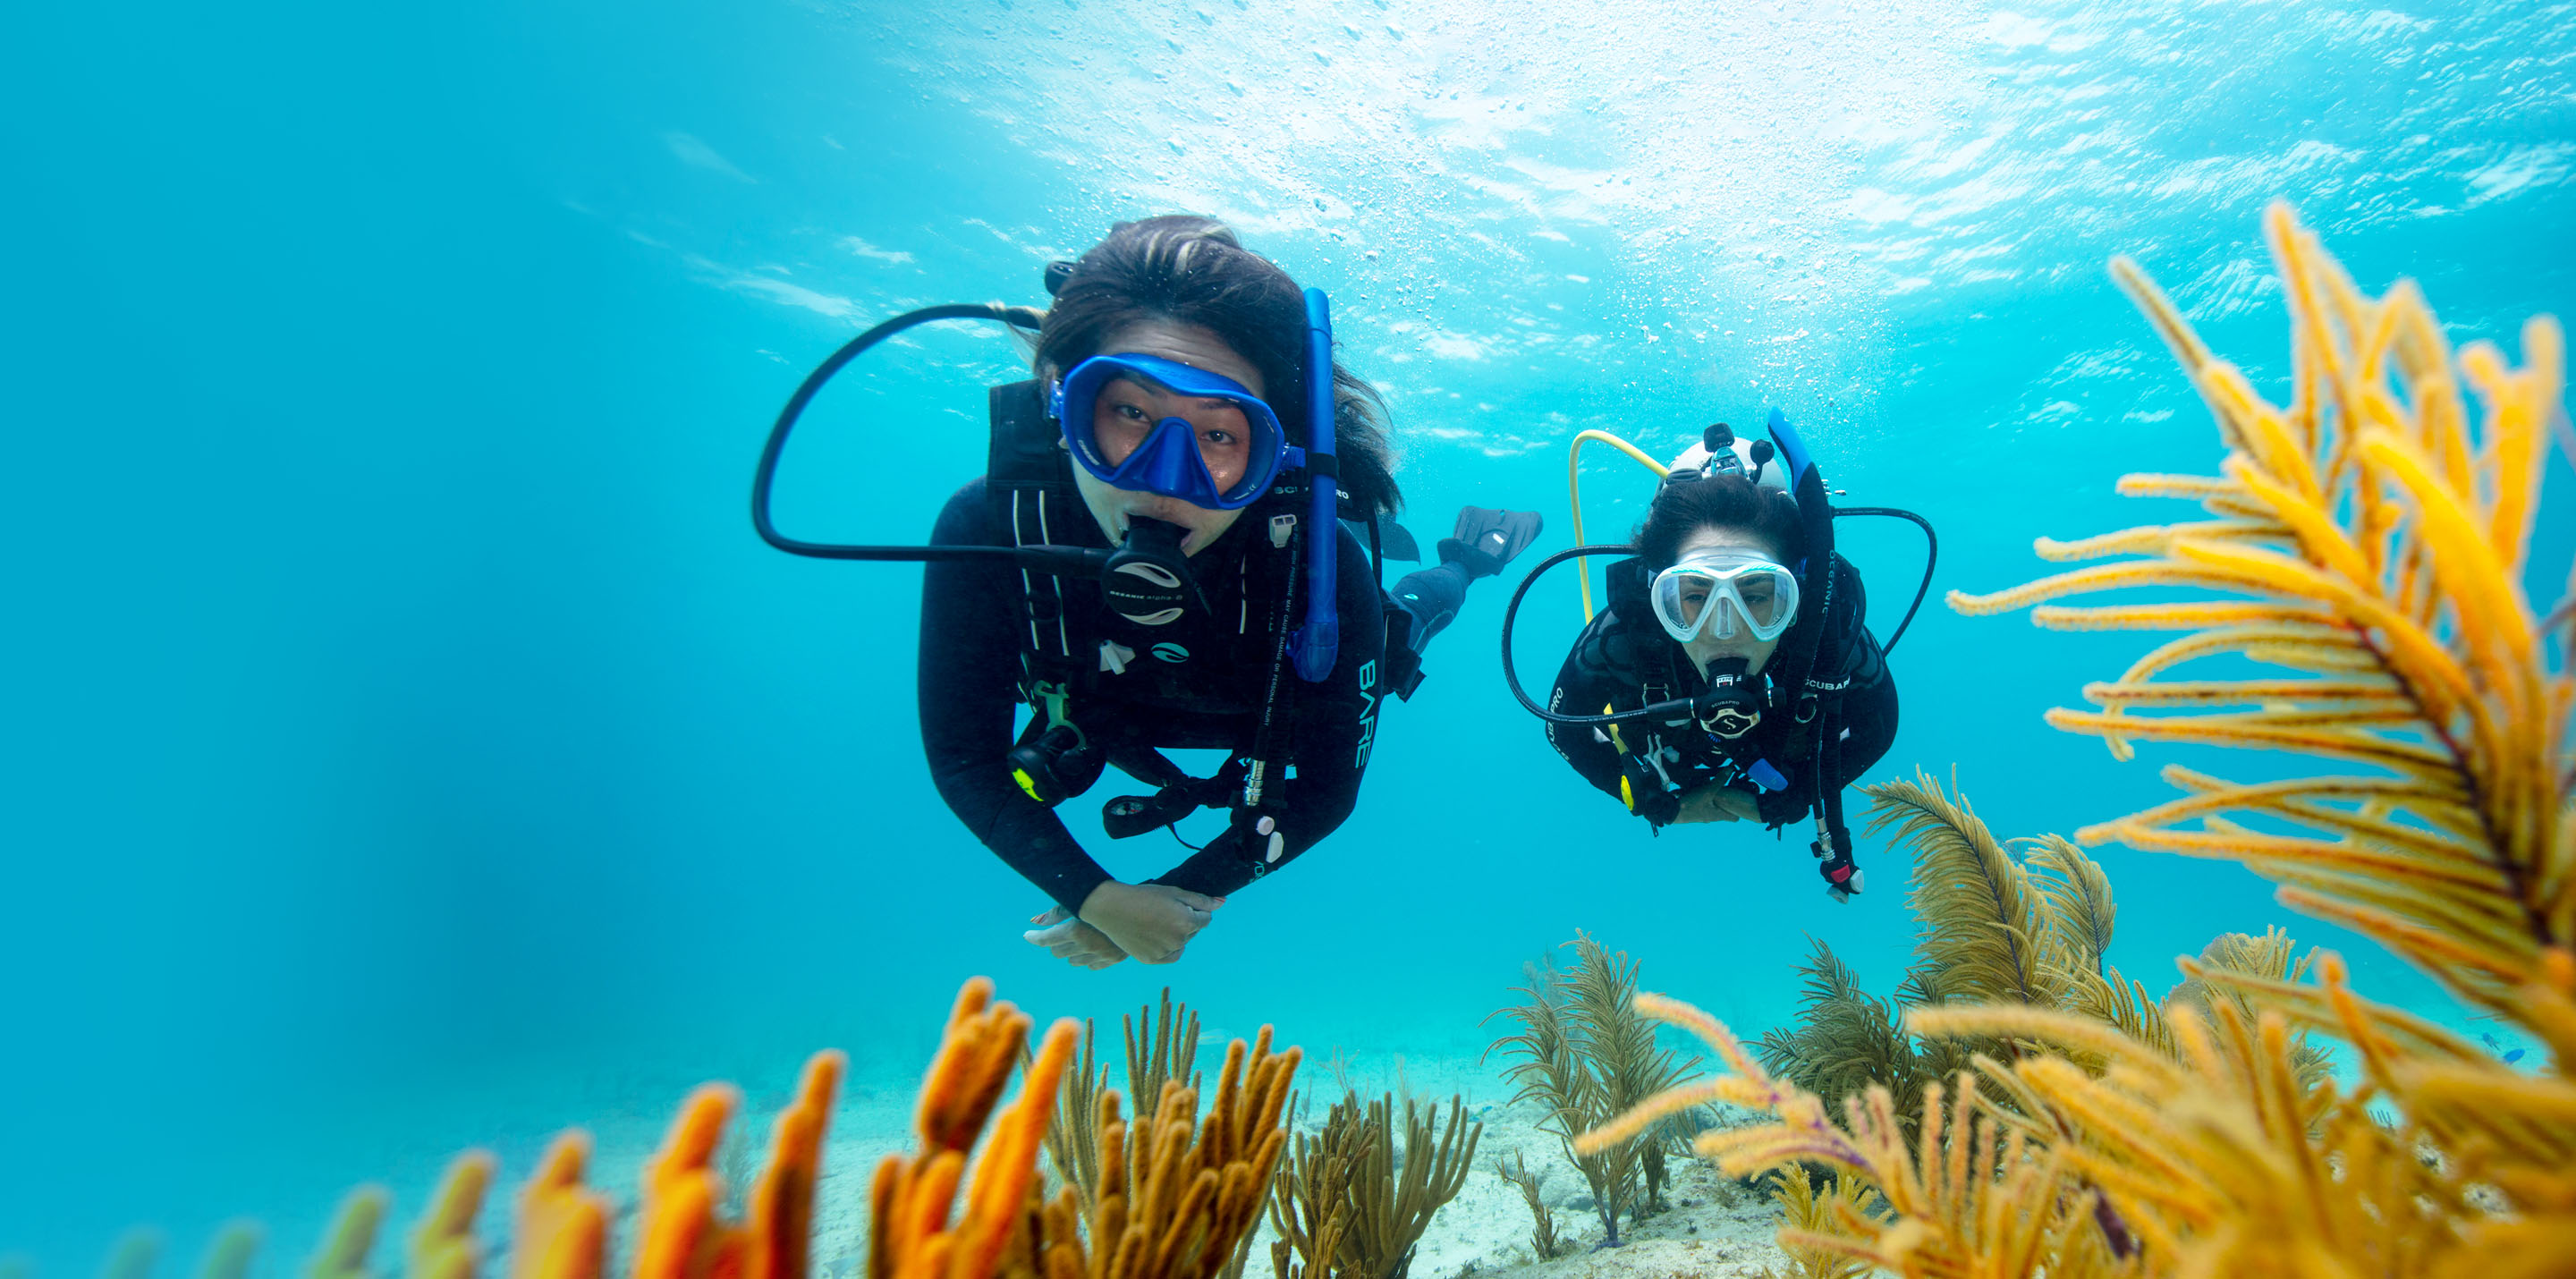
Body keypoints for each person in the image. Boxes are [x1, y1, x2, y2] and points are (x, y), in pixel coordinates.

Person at [919, 216, 1540, 969]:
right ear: (1062, 405)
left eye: (1219, 435)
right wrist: (1097, 898)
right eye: (1130, 413)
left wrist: (1170, 896)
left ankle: (1468, 559)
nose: (1164, 479)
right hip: (1108, 709)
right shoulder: (993, 528)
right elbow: (965, 757)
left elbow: (1325, 794)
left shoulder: (1317, 567)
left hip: (1273, 679)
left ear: (1272, 453)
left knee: (1401, 622)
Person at [1541, 436, 1899, 899]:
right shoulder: (1623, 637)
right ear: (1658, 596)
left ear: (1797, 596)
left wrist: (1798, 797)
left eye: (1756, 595)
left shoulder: (1826, 637)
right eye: (1694, 596)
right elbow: (1562, 729)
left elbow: (1880, 727)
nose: (1725, 630)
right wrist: (1653, 802)